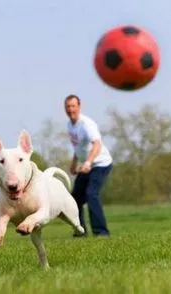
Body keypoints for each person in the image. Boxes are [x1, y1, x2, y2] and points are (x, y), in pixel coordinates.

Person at [64, 94, 113, 237]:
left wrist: (88, 162)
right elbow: (78, 147)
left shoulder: (86, 124)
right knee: (75, 199)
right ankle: (80, 232)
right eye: (67, 106)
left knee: (92, 194)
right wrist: (74, 163)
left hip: (100, 164)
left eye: (73, 106)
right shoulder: (70, 125)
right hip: (87, 165)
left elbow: (97, 144)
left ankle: (101, 232)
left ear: (79, 107)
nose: (70, 109)